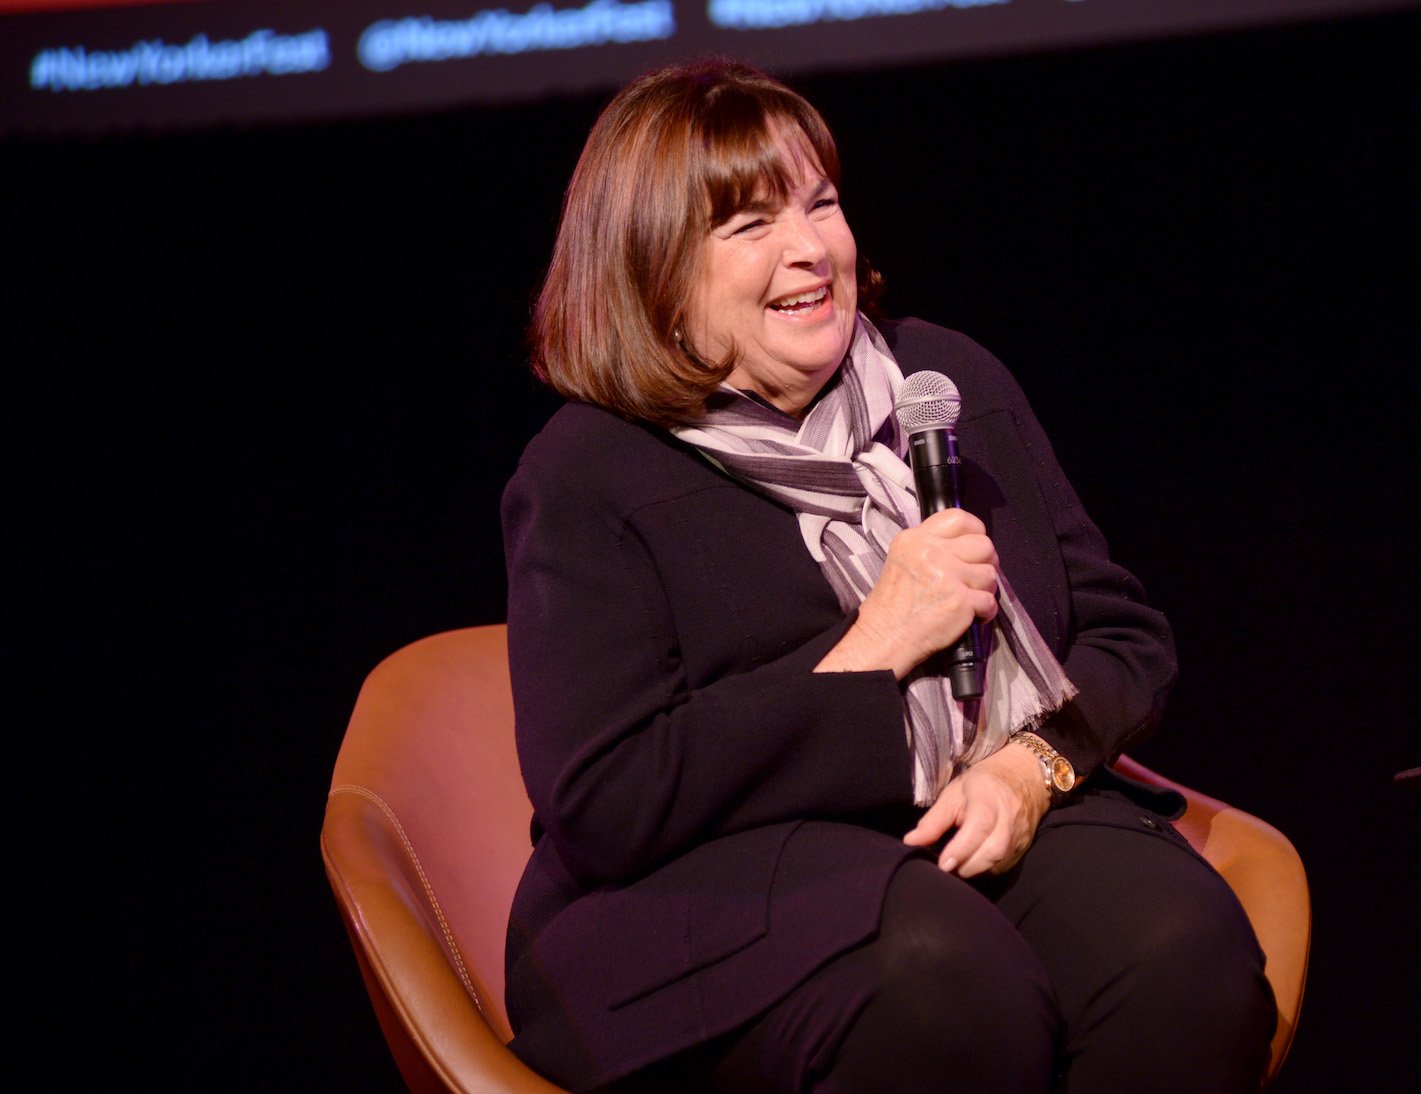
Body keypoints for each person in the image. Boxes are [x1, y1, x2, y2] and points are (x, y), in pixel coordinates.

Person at [501, 60, 1274, 1093]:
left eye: (820, 202)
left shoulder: (943, 382)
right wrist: (874, 645)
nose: (812, 248)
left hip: (972, 817)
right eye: (750, 227)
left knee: (1184, 952)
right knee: (945, 985)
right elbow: (609, 798)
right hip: (706, 882)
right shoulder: (589, 470)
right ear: (654, 273)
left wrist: (1026, 771)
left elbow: (1122, 638)